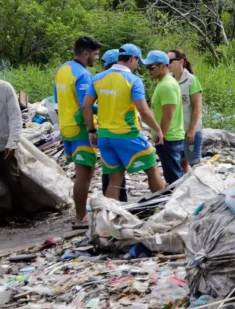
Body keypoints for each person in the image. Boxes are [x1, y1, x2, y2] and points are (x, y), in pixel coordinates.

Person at [83, 44, 166, 199]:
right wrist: (158, 130)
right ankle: (164, 209)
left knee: (115, 178)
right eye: (138, 61)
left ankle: (108, 218)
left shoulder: (98, 78)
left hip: (105, 136)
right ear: (133, 59)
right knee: (151, 167)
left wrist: (92, 131)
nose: (138, 66)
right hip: (127, 134)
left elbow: (86, 106)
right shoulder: (133, 80)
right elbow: (144, 110)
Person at [53, 35, 102, 228]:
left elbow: (57, 98)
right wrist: (93, 127)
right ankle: (80, 217)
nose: (97, 58)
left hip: (66, 127)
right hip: (81, 128)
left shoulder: (61, 70)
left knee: (80, 172)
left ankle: (80, 213)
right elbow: (85, 106)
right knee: (85, 173)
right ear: (85, 53)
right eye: (96, 55)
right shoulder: (82, 75)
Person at [144, 50, 186, 185]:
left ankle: (178, 203)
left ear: (163, 66)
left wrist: (160, 134)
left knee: (174, 178)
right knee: (173, 174)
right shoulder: (163, 83)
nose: (149, 71)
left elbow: (168, 114)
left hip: (169, 138)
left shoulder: (167, 85)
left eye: (151, 67)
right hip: (169, 137)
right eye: (147, 67)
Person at [98, 49, 128, 203]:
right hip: (120, 131)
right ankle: (116, 204)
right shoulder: (124, 79)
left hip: (104, 131)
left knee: (111, 170)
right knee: (116, 174)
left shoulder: (98, 79)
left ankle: (113, 203)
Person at [167, 49, 203, 173]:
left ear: (181, 61)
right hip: (176, 131)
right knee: (181, 162)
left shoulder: (191, 80)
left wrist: (192, 130)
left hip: (190, 129)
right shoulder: (168, 80)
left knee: (195, 164)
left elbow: (197, 106)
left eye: (171, 61)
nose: (168, 64)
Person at [0, 79, 26, 225]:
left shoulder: (5, 88)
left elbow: (15, 117)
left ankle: (20, 213)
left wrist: (12, 142)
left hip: (4, 144)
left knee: (12, 179)